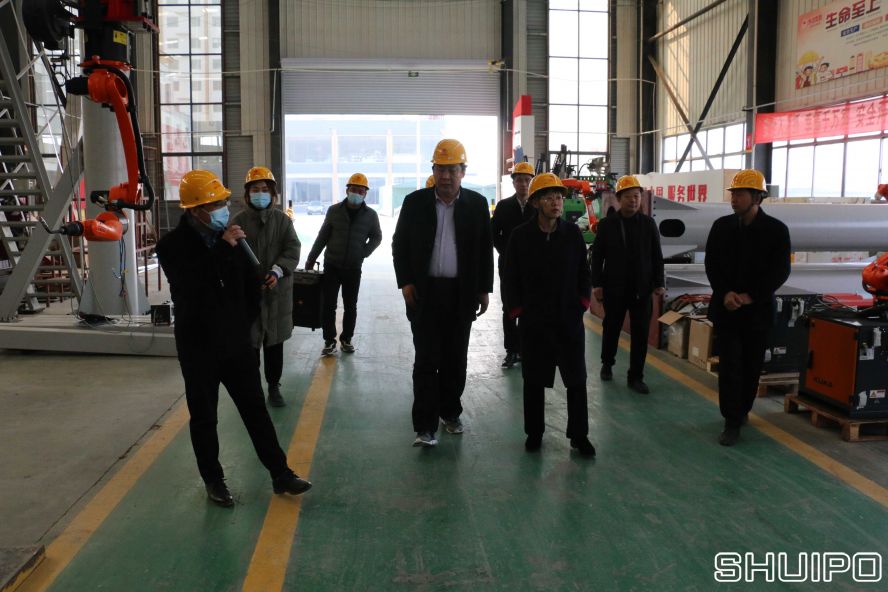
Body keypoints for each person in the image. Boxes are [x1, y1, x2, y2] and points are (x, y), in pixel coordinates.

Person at [155, 170, 311, 507]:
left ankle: (281, 473)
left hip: (236, 344)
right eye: (215, 204)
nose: (223, 209)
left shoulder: (235, 240)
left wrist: (242, 325)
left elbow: (250, 287)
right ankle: (214, 480)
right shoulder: (172, 246)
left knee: (255, 410)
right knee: (204, 416)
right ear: (196, 209)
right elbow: (192, 285)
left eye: (223, 202)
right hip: (199, 347)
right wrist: (224, 249)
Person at [392, 139, 494, 448]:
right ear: (433, 171)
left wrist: (484, 289)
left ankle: (450, 412)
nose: (446, 176)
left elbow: (484, 250)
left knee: (455, 358)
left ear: (463, 171)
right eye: (441, 169)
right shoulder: (415, 203)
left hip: (461, 294)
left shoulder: (477, 204)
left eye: (452, 170)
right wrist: (405, 282)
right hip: (424, 293)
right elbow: (399, 245)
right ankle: (424, 426)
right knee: (426, 359)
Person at [503, 173, 596, 456]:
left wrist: (582, 303)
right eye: (549, 198)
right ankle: (534, 432)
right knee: (533, 380)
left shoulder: (572, 235)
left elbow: (584, 272)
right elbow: (510, 277)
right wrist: (517, 310)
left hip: (568, 321)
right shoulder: (520, 237)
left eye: (558, 197)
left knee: (576, 380)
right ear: (535, 202)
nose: (556, 203)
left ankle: (579, 435)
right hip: (535, 323)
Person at [704, 169, 791, 446]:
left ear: (757, 198)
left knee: (752, 367)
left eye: (740, 194)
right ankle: (731, 420)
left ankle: (742, 410)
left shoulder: (776, 231)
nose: (734, 199)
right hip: (727, 310)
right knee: (730, 366)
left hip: (757, 313)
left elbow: (780, 271)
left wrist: (750, 296)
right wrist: (725, 293)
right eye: (733, 194)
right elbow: (712, 264)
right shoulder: (721, 227)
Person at [230, 166, 301, 407]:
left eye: (264, 189)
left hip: (276, 293)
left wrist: (278, 270)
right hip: (249, 296)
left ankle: (273, 386)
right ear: (247, 194)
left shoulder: (282, 220)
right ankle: (253, 390)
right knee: (250, 346)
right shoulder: (238, 222)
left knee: (274, 344)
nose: (260, 194)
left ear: (272, 194)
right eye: (255, 190)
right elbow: (230, 256)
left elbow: (292, 249)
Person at [590, 175, 665, 394]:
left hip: (642, 288)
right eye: (629, 197)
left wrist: (659, 282)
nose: (633, 200)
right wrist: (596, 284)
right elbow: (597, 256)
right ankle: (607, 363)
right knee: (611, 328)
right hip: (614, 288)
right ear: (619, 198)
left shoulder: (648, 224)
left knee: (640, 334)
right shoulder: (607, 225)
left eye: (637, 196)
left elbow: (657, 255)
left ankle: (636, 376)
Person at [305, 173, 382, 355]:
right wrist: (311, 258)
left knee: (350, 306)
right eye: (354, 189)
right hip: (332, 265)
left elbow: (377, 237)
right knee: (329, 305)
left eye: (361, 191)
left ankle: (346, 339)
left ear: (365, 194)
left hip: (353, 268)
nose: (357, 193)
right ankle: (329, 340)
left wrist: (363, 252)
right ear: (347, 190)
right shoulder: (334, 211)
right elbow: (322, 236)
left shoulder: (371, 215)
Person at [491, 161, 536, 368]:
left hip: (533, 268)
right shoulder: (503, 206)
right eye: (519, 180)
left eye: (527, 180)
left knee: (530, 308)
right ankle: (511, 350)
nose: (523, 184)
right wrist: (507, 252)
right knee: (509, 308)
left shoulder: (538, 206)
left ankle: (526, 349)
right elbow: (494, 234)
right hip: (508, 266)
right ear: (514, 183)